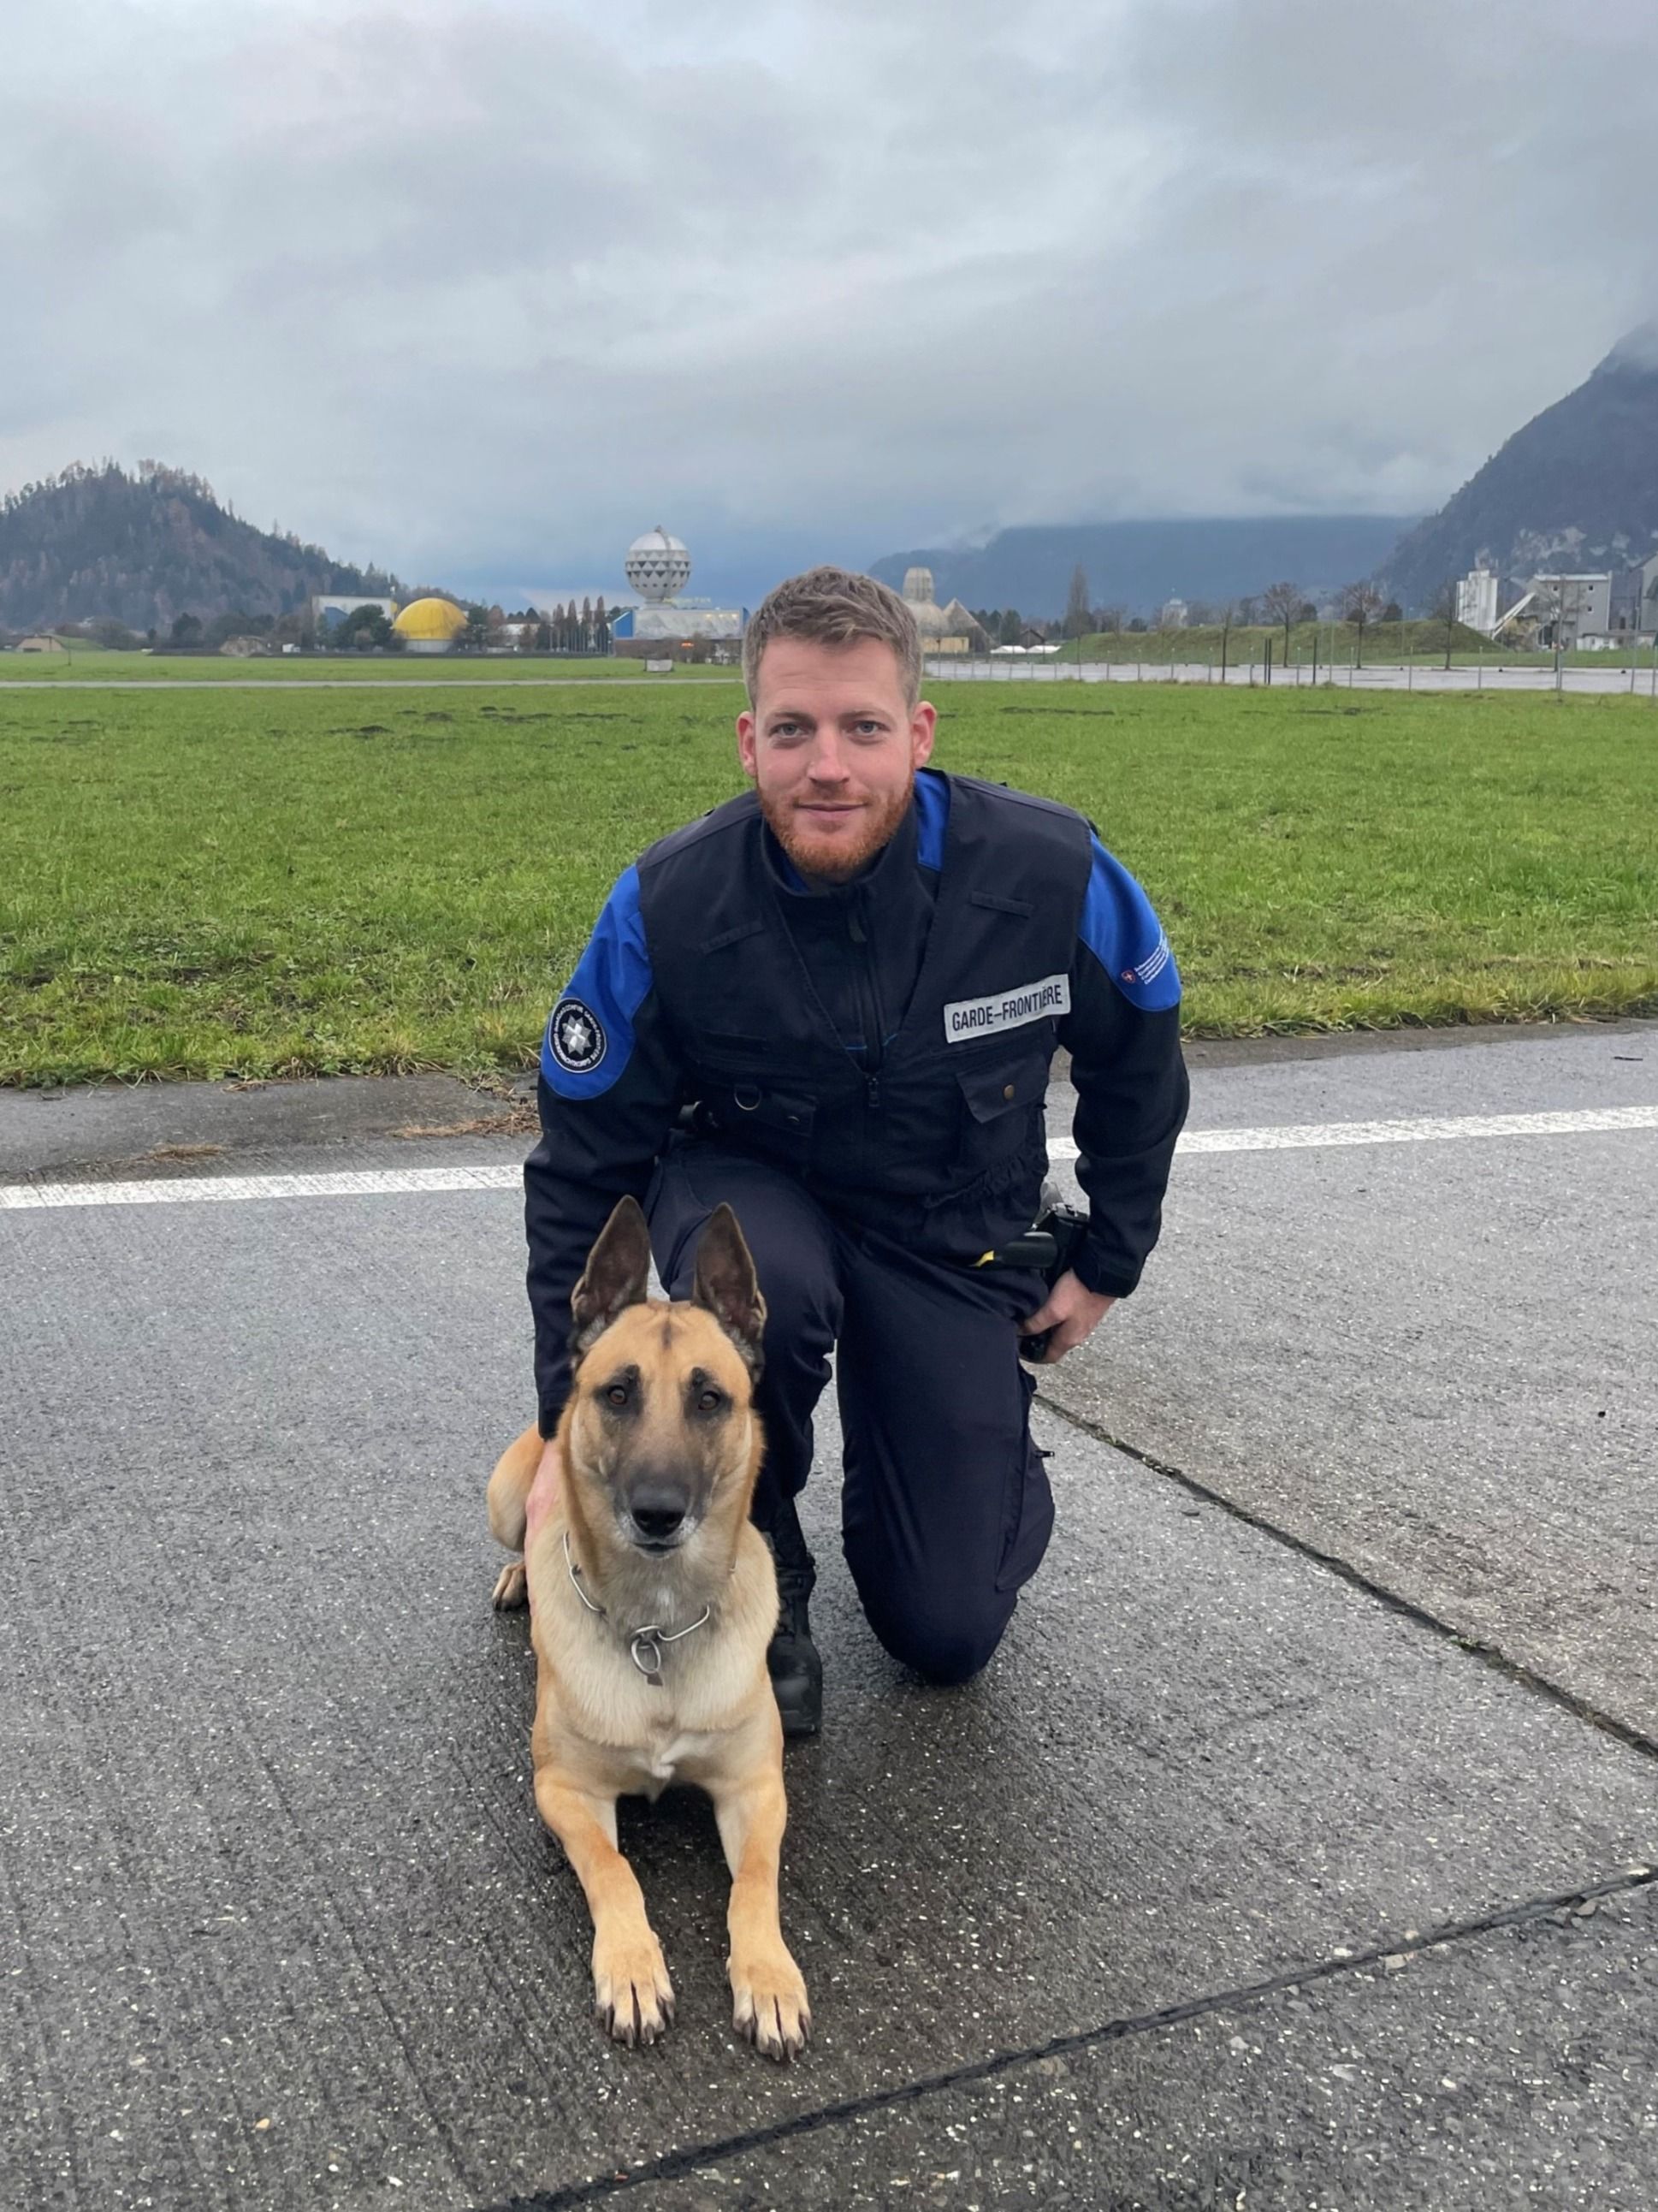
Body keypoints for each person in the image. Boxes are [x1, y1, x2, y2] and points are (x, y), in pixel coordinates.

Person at [523, 566, 1187, 1735]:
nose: (825, 763)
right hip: (762, 1216)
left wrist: (1108, 1255)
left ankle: (958, 1436)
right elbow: (583, 1172)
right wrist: (555, 1424)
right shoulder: (664, 908)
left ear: (917, 732)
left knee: (945, 1632)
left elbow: (1141, 1055)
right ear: (747, 740)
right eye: (792, 729)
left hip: (950, 1243)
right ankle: (753, 1579)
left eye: (861, 727)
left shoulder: (1053, 876)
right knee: (769, 1280)